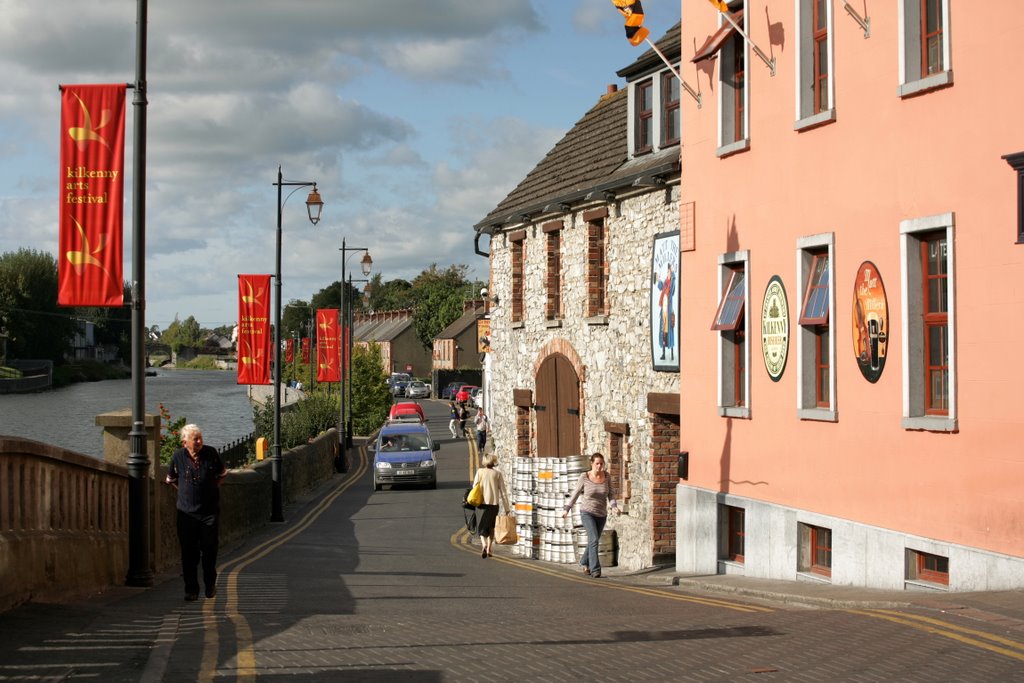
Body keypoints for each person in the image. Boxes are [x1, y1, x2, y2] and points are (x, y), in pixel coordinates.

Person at [165, 424, 228, 601]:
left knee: (209, 549)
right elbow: (170, 479)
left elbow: (223, 474)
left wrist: (210, 488)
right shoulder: (177, 457)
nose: (200, 441)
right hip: (187, 514)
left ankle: (210, 585)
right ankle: (191, 590)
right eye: (196, 439)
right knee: (189, 553)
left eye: (200, 437)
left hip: (209, 513)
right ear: (185, 442)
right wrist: (184, 492)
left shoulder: (211, 453)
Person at [562, 452, 619, 578]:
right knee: (593, 539)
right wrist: (567, 508)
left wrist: (614, 506)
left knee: (594, 541)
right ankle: (595, 569)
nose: (599, 466)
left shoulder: (607, 477)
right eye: (597, 464)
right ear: (592, 464)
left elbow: (611, 494)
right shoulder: (585, 477)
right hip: (587, 512)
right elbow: (576, 493)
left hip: (601, 514)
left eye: (601, 464)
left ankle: (583, 561)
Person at [471, 453, 511, 559]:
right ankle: (489, 548)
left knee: (481, 528)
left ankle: (483, 544)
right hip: (494, 505)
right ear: (493, 461)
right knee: (491, 527)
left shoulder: (480, 472)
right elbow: (503, 492)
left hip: (482, 504)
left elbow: (474, 486)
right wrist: (507, 508)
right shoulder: (497, 474)